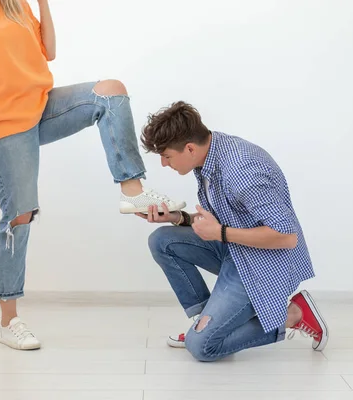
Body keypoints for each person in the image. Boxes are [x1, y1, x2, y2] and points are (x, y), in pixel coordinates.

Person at [0, 0, 185, 351]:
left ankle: (132, 190)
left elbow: (48, 51)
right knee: (19, 217)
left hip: (40, 106)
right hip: (1, 127)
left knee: (109, 92)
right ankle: (9, 322)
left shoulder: (13, 2)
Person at [136, 101, 329, 362]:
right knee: (162, 240)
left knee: (202, 348)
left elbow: (286, 236)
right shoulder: (209, 156)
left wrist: (220, 233)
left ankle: (294, 315)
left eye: (167, 156)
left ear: (189, 148)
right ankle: (205, 324)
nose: (163, 163)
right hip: (236, 249)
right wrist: (175, 217)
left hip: (264, 262)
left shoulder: (241, 171)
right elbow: (221, 223)